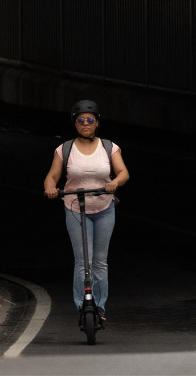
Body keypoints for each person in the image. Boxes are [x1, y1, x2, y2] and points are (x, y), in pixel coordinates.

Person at [43, 100, 129, 322]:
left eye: (90, 120)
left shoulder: (110, 147)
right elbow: (52, 176)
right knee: (83, 261)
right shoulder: (64, 149)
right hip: (74, 207)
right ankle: (83, 305)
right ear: (75, 124)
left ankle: (99, 308)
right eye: (80, 120)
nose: (85, 124)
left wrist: (115, 183)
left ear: (97, 122)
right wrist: (51, 188)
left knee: (100, 261)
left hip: (103, 208)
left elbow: (123, 173)